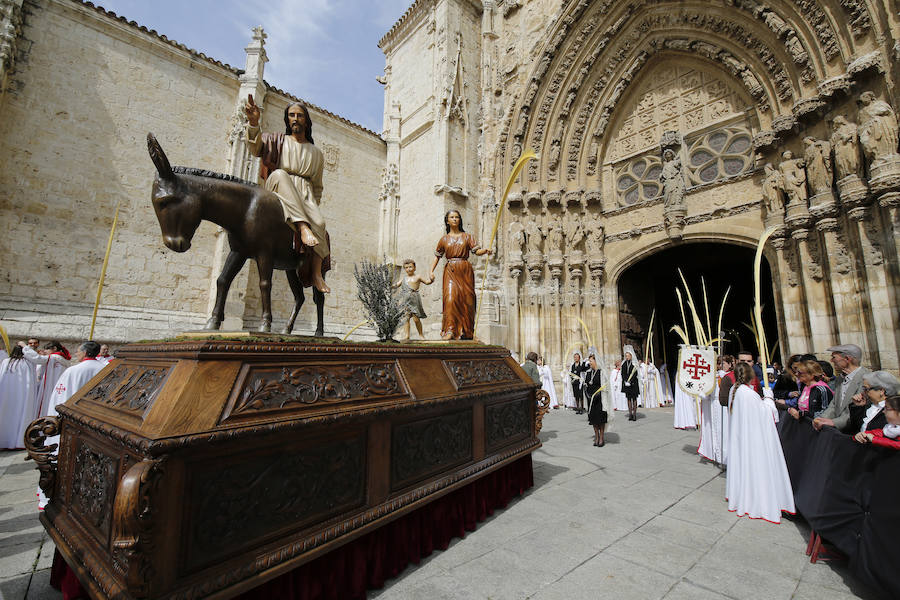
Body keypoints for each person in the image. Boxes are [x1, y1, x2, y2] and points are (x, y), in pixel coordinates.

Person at [244, 95, 330, 293]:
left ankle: (316, 273)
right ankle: (302, 227)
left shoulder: (316, 153)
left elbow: (317, 185)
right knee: (281, 174)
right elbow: (255, 148)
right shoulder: (277, 140)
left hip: (304, 192)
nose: (295, 119)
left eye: (299, 115)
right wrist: (254, 122)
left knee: (320, 223)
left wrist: (313, 203)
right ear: (287, 119)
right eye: (291, 115)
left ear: (306, 121)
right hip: (278, 185)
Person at [37, 341, 107, 509]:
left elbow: (60, 398)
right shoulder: (105, 369)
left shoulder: (74, 371)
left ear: (84, 352)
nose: (76, 354)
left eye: (78, 351)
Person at [726, 363, 795, 523]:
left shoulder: (736, 390)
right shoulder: (749, 394)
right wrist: (769, 399)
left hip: (744, 436)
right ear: (751, 375)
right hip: (753, 438)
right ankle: (758, 500)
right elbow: (766, 414)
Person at [428, 210, 492, 340]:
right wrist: (431, 271)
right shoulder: (444, 239)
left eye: (457, 217)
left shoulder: (467, 237)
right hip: (451, 270)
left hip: (465, 270)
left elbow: (476, 251)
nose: (455, 219)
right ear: (447, 221)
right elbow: (437, 256)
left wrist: (484, 251)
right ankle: (450, 330)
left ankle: (468, 332)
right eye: (452, 217)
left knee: (468, 301)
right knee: (450, 299)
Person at [814, 344, 870, 433]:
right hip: (840, 431)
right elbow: (834, 403)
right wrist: (822, 418)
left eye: (834, 357)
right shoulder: (840, 378)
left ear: (847, 359)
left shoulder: (866, 378)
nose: (831, 360)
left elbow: (859, 409)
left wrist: (834, 422)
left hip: (856, 432)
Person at [0, 347, 39, 450]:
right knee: (20, 417)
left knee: (5, 416)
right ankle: (18, 441)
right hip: (22, 397)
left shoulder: (5, 362)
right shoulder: (27, 363)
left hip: (6, 396)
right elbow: (31, 382)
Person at [21, 340, 69, 417]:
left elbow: (37, 358)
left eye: (47, 349)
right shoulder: (61, 359)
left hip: (49, 387)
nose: (45, 351)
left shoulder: (54, 358)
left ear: (54, 349)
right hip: (56, 387)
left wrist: (25, 347)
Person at [700, 354, 732, 464]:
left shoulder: (731, 376)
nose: (720, 366)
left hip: (725, 405)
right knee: (716, 430)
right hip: (714, 404)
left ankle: (727, 457)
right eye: (719, 364)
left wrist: (724, 379)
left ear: (730, 364)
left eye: (723, 363)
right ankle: (717, 455)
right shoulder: (714, 376)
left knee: (725, 431)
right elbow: (708, 392)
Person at [394, 259, 434, 340]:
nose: (408, 269)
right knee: (406, 318)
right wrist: (389, 284)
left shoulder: (417, 277)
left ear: (414, 268)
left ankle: (421, 334)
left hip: (414, 299)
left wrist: (431, 279)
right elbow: (396, 285)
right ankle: (407, 335)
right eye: (406, 267)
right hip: (405, 300)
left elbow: (426, 282)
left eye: (410, 267)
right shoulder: (404, 278)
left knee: (416, 319)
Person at [585, 355, 607, 447]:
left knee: (600, 419)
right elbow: (586, 384)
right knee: (593, 419)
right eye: (589, 361)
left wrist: (599, 394)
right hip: (591, 399)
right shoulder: (588, 373)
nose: (589, 363)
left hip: (600, 399)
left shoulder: (601, 372)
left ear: (596, 361)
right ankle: (596, 437)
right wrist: (587, 394)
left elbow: (605, 386)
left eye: (591, 361)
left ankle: (601, 437)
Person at [620, 346, 641, 421]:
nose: (627, 357)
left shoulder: (634, 363)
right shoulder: (624, 364)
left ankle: (634, 414)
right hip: (626, 384)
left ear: (631, 356)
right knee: (628, 399)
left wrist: (630, 381)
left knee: (634, 399)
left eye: (628, 356)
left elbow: (635, 374)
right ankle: (630, 414)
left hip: (633, 384)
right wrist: (625, 380)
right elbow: (622, 373)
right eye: (626, 356)